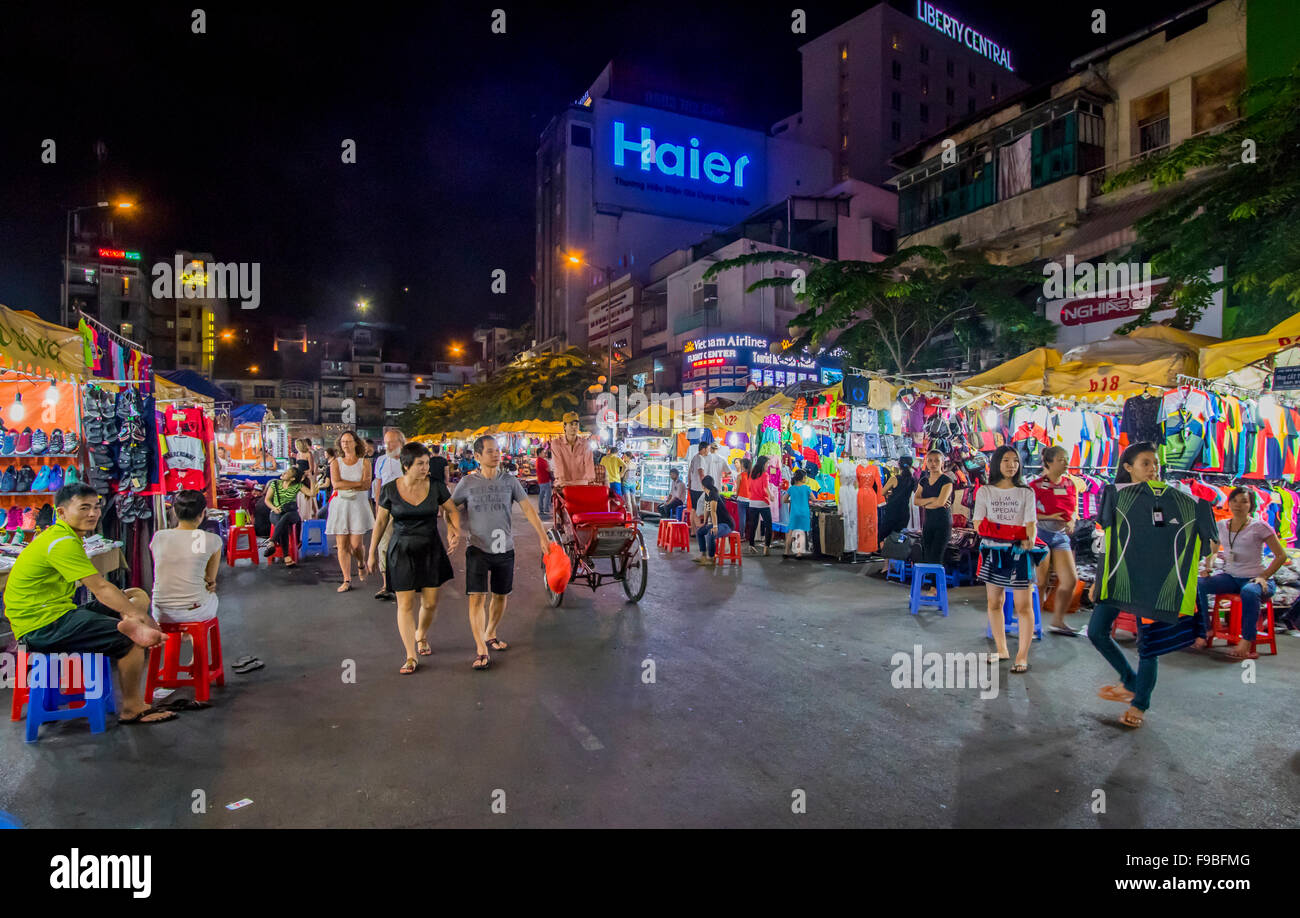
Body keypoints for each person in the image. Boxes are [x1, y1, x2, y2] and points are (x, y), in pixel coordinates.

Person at [3, 483, 172, 725]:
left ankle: (129, 623)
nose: (93, 513)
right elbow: (100, 588)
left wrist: (132, 611)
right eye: (84, 508)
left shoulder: (63, 536)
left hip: (58, 613)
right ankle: (132, 708)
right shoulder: (62, 542)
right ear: (61, 512)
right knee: (130, 639)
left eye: (96, 507)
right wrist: (145, 619)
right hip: (41, 627)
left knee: (135, 595)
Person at [1088, 442, 1217, 729]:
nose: (1153, 468)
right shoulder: (1114, 496)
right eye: (1146, 463)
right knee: (1096, 632)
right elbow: (1106, 545)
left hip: (1156, 582)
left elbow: (1207, 540)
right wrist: (1099, 580)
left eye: (1155, 463)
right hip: (1119, 577)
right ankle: (1131, 681)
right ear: (1128, 467)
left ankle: (1140, 703)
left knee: (1149, 647)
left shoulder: (1179, 500)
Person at [451, 435, 551, 671]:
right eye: (489, 451)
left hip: (505, 548)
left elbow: (528, 510)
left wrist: (543, 537)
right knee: (477, 598)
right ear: (477, 457)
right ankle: (481, 648)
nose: (496, 454)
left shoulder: (510, 481)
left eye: (497, 450)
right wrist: (453, 530)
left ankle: (491, 632)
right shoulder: (467, 483)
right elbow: (450, 508)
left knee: (500, 595)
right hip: (477, 548)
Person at [368, 442, 461, 674]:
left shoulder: (436, 486)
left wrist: (453, 530)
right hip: (401, 550)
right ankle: (410, 656)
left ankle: (421, 634)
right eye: (420, 464)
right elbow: (380, 522)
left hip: (431, 548)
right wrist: (371, 553)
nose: (425, 468)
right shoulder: (390, 489)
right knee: (405, 604)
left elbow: (452, 510)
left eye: (427, 463)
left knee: (429, 603)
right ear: (406, 465)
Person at [1196, 486, 1288, 660]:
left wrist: (1264, 576)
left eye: (1244, 501)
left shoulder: (1260, 526)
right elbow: (1213, 550)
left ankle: (1246, 642)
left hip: (1257, 579)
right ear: (1229, 503)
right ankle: (1205, 630)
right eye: (1234, 501)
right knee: (1198, 584)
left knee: (1248, 592)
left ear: (1251, 505)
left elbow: (1281, 555)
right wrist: (1209, 566)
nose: (1238, 505)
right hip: (1231, 577)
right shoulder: (1221, 525)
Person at [973, 446, 1041, 673]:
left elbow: (1031, 525)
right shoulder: (985, 491)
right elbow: (979, 525)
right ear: (996, 464)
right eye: (1006, 460)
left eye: (1015, 461)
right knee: (994, 603)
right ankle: (1002, 649)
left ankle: (1022, 655)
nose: (1011, 465)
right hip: (993, 552)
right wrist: (1016, 533)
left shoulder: (1026, 492)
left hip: (1019, 554)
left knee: (1024, 606)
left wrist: (1024, 536)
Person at [151, 490, 223, 625]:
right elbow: (210, 580)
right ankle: (192, 638)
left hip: (160, 613)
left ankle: (178, 638)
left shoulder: (159, 537)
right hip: (195, 611)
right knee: (211, 595)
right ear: (203, 513)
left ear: (174, 512)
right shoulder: (212, 540)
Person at [1031, 445, 1082, 636]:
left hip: (1060, 537)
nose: (1066, 462)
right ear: (1049, 463)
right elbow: (1028, 514)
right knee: (1040, 582)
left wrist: (1071, 520)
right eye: (1061, 459)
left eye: (1066, 459)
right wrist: (1050, 516)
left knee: (1070, 580)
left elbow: (1074, 509)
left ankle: (1058, 621)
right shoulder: (1035, 485)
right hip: (1040, 535)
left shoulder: (1070, 484)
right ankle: (1034, 623)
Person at [326, 430, 374, 592]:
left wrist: (347, 484)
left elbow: (367, 485)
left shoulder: (364, 462)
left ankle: (361, 563)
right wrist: (356, 483)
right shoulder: (335, 463)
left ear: (355, 443)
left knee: (356, 545)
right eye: (343, 441)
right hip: (340, 506)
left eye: (349, 441)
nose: (345, 444)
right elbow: (336, 484)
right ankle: (346, 579)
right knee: (342, 545)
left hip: (358, 506)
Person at [370, 428, 407, 600]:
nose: (389, 445)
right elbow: (379, 485)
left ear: (401, 442)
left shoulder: (409, 460)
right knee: (383, 545)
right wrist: (378, 506)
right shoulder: (381, 461)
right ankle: (386, 584)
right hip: (387, 509)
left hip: (406, 509)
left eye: (392, 441)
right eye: (387, 442)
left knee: (406, 545)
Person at [263, 465, 314, 566]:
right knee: (283, 524)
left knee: (286, 518)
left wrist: (312, 480)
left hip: (292, 514)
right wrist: (274, 508)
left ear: (292, 478)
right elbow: (267, 500)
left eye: (287, 473)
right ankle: (286, 557)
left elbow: (311, 493)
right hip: (276, 513)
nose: (283, 473)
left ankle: (272, 542)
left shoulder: (298, 486)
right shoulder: (275, 484)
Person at [913, 450, 953, 568]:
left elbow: (940, 503)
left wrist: (924, 503)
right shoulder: (924, 481)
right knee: (927, 554)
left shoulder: (946, 480)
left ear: (942, 462)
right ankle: (929, 584)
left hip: (942, 522)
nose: (933, 463)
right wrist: (933, 499)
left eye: (936, 460)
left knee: (937, 556)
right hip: (928, 522)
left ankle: (934, 586)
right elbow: (916, 501)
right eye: (930, 460)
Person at [549, 411, 597, 499]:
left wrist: (591, 481)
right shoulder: (556, 444)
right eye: (571, 424)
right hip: (564, 485)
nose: (574, 427)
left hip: (582, 485)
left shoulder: (585, 443)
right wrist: (562, 483)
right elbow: (558, 464)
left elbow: (589, 463)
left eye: (576, 424)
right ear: (564, 426)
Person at [693, 475, 737, 565]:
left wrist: (715, 526)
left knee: (711, 534)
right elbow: (707, 509)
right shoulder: (707, 494)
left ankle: (711, 558)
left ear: (703, 486)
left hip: (726, 524)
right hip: (717, 523)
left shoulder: (713, 494)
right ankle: (703, 555)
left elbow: (713, 511)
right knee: (700, 532)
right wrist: (704, 523)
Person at [879, 456, 916, 541]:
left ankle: (882, 550)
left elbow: (882, 492)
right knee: (900, 534)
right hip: (904, 511)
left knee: (884, 532)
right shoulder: (912, 480)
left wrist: (890, 493)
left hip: (892, 510)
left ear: (899, 465)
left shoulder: (894, 478)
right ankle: (899, 551)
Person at [746, 455, 774, 555]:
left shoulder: (752, 474)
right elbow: (766, 488)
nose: (768, 465)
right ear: (763, 464)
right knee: (769, 525)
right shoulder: (765, 474)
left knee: (753, 525)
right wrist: (771, 496)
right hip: (762, 502)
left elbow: (749, 488)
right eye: (767, 463)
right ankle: (766, 547)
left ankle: (751, 545)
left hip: (752, 502)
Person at [784, 468, 812, 558]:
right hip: (804, 513)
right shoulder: (807, 488)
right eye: (805, 477)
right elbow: (814, 499)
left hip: (794, 513)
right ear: (802, 478)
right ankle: (799, 553)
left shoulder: (791, 488)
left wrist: (791, 501)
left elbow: (784, 500)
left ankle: (786, 552)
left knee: (791, 532)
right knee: (801, 533)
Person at [686, 441, 709, 511]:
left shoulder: (694, 457)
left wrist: (689, 484)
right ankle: (697, 522)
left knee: (694, 509)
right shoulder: (700, 459)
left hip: (693, 487)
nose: (708, 451)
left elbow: (689, 472)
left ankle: (693, 522)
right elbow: (701, 474)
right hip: (699, 489)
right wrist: (705, 487)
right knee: (699, 511)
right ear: (704, 449)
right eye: (708, 449)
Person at [733, 457, 751, 540]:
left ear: (743, 466)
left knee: (742, 519)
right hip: (751, 500)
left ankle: (742, 536)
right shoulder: (753, 476)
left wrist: (736, 495)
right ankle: (750, 535)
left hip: (741, 499)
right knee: (750, 519)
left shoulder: (740, 475)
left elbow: (738, 489)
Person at [535, 446, 552, 520]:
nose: (544, 454)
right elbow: (548, 469)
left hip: (541, 480)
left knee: (542, 495)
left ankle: (542, 509)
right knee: (547, 495)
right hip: (545, 480)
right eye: (543, 452)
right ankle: (546, 509)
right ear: (539, 453)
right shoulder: (541, 461)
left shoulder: (539, 460)